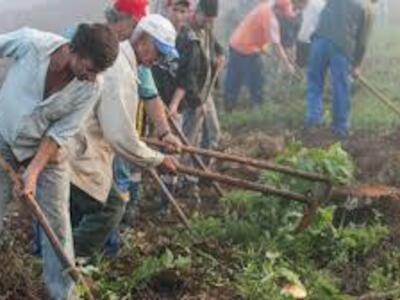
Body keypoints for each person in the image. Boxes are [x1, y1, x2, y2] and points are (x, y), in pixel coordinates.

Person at [0, 24, 118, 300]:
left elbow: (58, 134)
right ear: (73, 50)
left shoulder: (91, 87)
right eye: (88, 69)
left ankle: (62, 294)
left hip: (49, 154)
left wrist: (33, 172)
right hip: (4, 138)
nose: (91, 78)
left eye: (97, 73)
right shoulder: (32, 44)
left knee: (57, 223)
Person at [68, 14, 181, 258]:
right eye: (157, 51)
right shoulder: (120, 71)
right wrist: (158, 160)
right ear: (141, 39)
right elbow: (120, 136)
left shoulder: (130, 65)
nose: (158, 59)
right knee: (111, 207)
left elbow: (149, 99)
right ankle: (66, 257)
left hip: (84, 146)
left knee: (72, 211)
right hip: (78, 147)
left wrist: (164, 134)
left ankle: (62, 260)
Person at [305, 0, 377, 139]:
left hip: (319, 40)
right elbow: (362, 41)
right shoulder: (368, 8)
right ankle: (340, 128)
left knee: (314, 83)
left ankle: (313, 121)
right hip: (341, 46)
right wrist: (357, 64)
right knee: (341, 87)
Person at [224, 0, 296, 111]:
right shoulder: (271, 19)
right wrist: (287, 65)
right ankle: (259, 109)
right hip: (247, 49)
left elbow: (257, 30)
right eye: (283, 14)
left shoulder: (266, 6)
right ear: (278, 10)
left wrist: (263, 50)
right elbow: (276, 45)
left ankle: (228, 109)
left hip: (235, 43)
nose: (284, 17)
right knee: (257, 81)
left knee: (233, 80)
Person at [296, 0, 325, 68]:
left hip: (312, 41)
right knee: (299, 66)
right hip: (301, 40)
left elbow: (325, 21)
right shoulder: (302, 3)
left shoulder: (319, 4)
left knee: (311, 67)